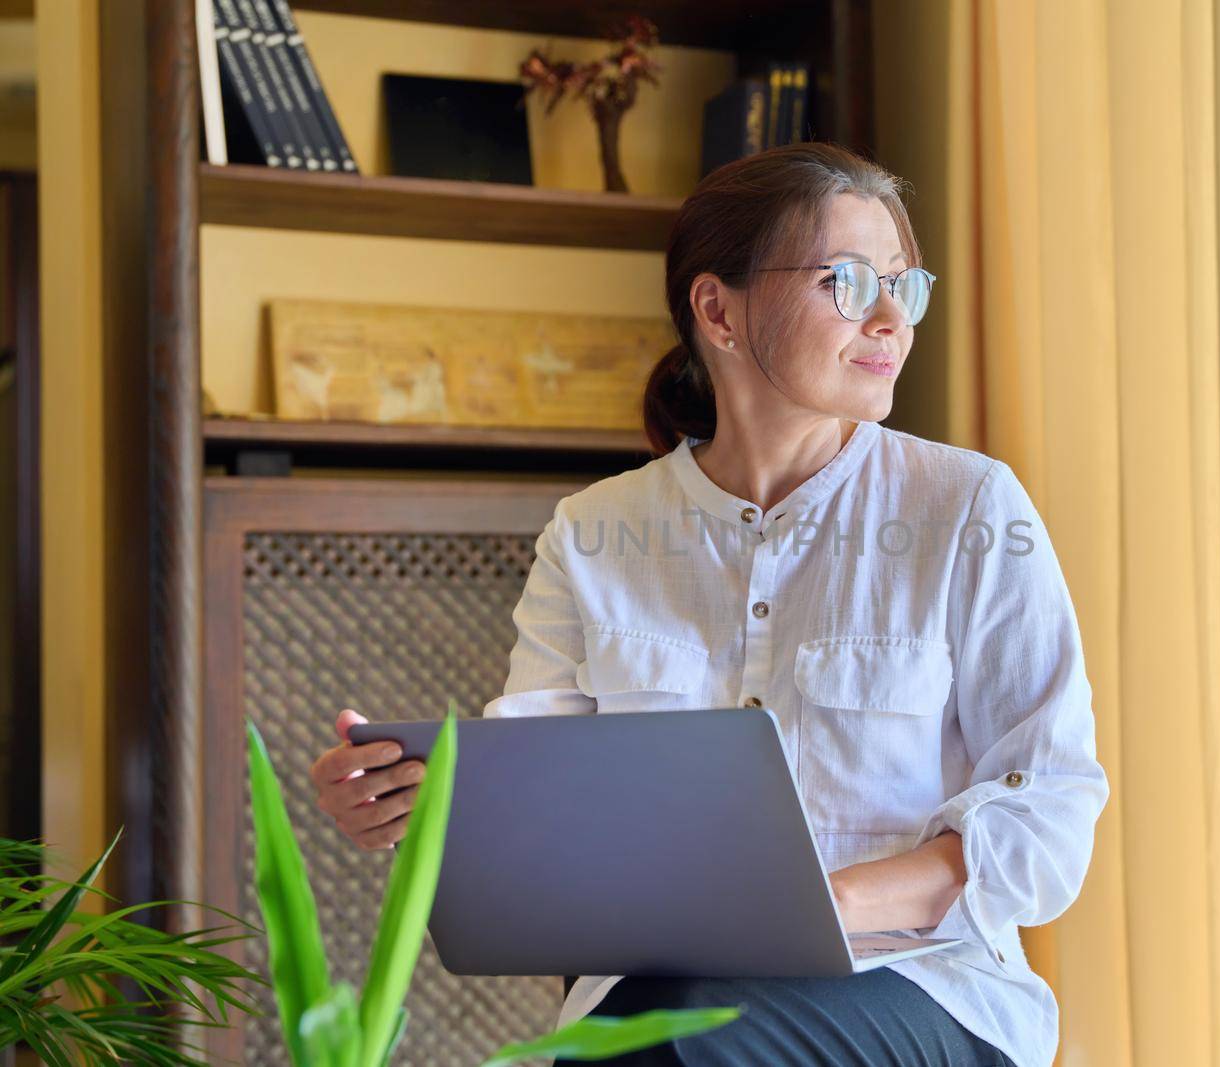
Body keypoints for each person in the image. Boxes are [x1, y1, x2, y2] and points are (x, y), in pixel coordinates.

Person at [309, 142, 1109, 1067]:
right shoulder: (592, 532)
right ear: (718, 310)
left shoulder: (969, 508)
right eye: (849, 282)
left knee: (683, 1034)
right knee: (664, 1025)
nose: (892, 317)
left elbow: (1048, 811)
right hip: (656, 996)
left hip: (927, 988)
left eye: (905, 284)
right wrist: (413, 804)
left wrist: (827, 903)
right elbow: (540, 808)